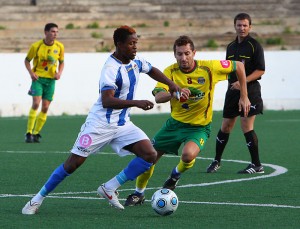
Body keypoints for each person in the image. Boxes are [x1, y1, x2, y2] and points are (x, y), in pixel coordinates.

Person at [21, 25, 181, 214]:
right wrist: (136, 102)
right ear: (119, 44)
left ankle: (110, 187)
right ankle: (35, 200)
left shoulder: (135, 61)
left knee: (149, 155)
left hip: (122, 125)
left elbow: (151, 69)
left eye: (136, 42)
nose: (135, 47)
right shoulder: (110, 68)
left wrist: (171, 84)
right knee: (72, 164)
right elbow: (107, 100)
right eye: (131, 43)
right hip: (99, 125)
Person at [124, 35, 251, 206]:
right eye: (179, 54)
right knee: (149, 158)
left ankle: (175, 176)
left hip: (199, 126)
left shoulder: (209, 68)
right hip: (174, 125)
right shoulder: (169, 72)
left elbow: (240, 66)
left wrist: (244, 96)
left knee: (188, 154)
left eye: (187, 53)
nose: (183, 58)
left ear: (194, 53)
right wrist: (174, 92)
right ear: (174, 55)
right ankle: (138, 194)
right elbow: (159, 98)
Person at [206, 13, 265, 174]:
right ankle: (216, 161)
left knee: (246, 125)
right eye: (239, 25)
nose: (242, 28)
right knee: (225, 126)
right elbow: (228, 68)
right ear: (235, 26)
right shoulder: (231, 47)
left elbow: (260, 70)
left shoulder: (254, 46)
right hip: (232, 91)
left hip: (250, 91)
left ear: (250, 27)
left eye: (245, 25)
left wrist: (243, 81)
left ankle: (257, 165)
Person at [24, 23, 65, 143]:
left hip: (51, 81)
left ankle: (36, 133)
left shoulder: (60, 46)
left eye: (57, 32)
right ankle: (28, 132)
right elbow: (27, 61)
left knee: (45, 107)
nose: (55, 34)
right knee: (36, 103)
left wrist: (59, 73)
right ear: (46, 32)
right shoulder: (36, 46)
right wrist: (31, 73)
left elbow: (62, 62)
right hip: (38, 79)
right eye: (53, 31)